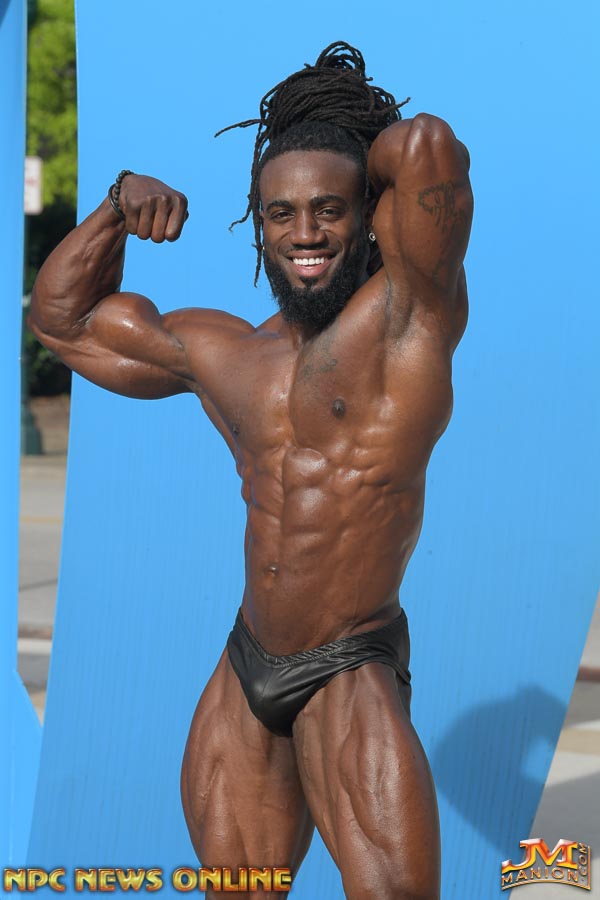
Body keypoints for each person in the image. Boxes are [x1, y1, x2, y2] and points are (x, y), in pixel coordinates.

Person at [30, 41, 472, 900]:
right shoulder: (227, 354)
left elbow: (426, 150)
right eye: (281, 214)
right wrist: (116, 207)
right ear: (258, 224)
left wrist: (354, 135)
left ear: (370, 216)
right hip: (246, 668)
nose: (304, 234)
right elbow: (64, 323)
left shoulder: (408, 319)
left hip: (348, 664)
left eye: (329, 210)